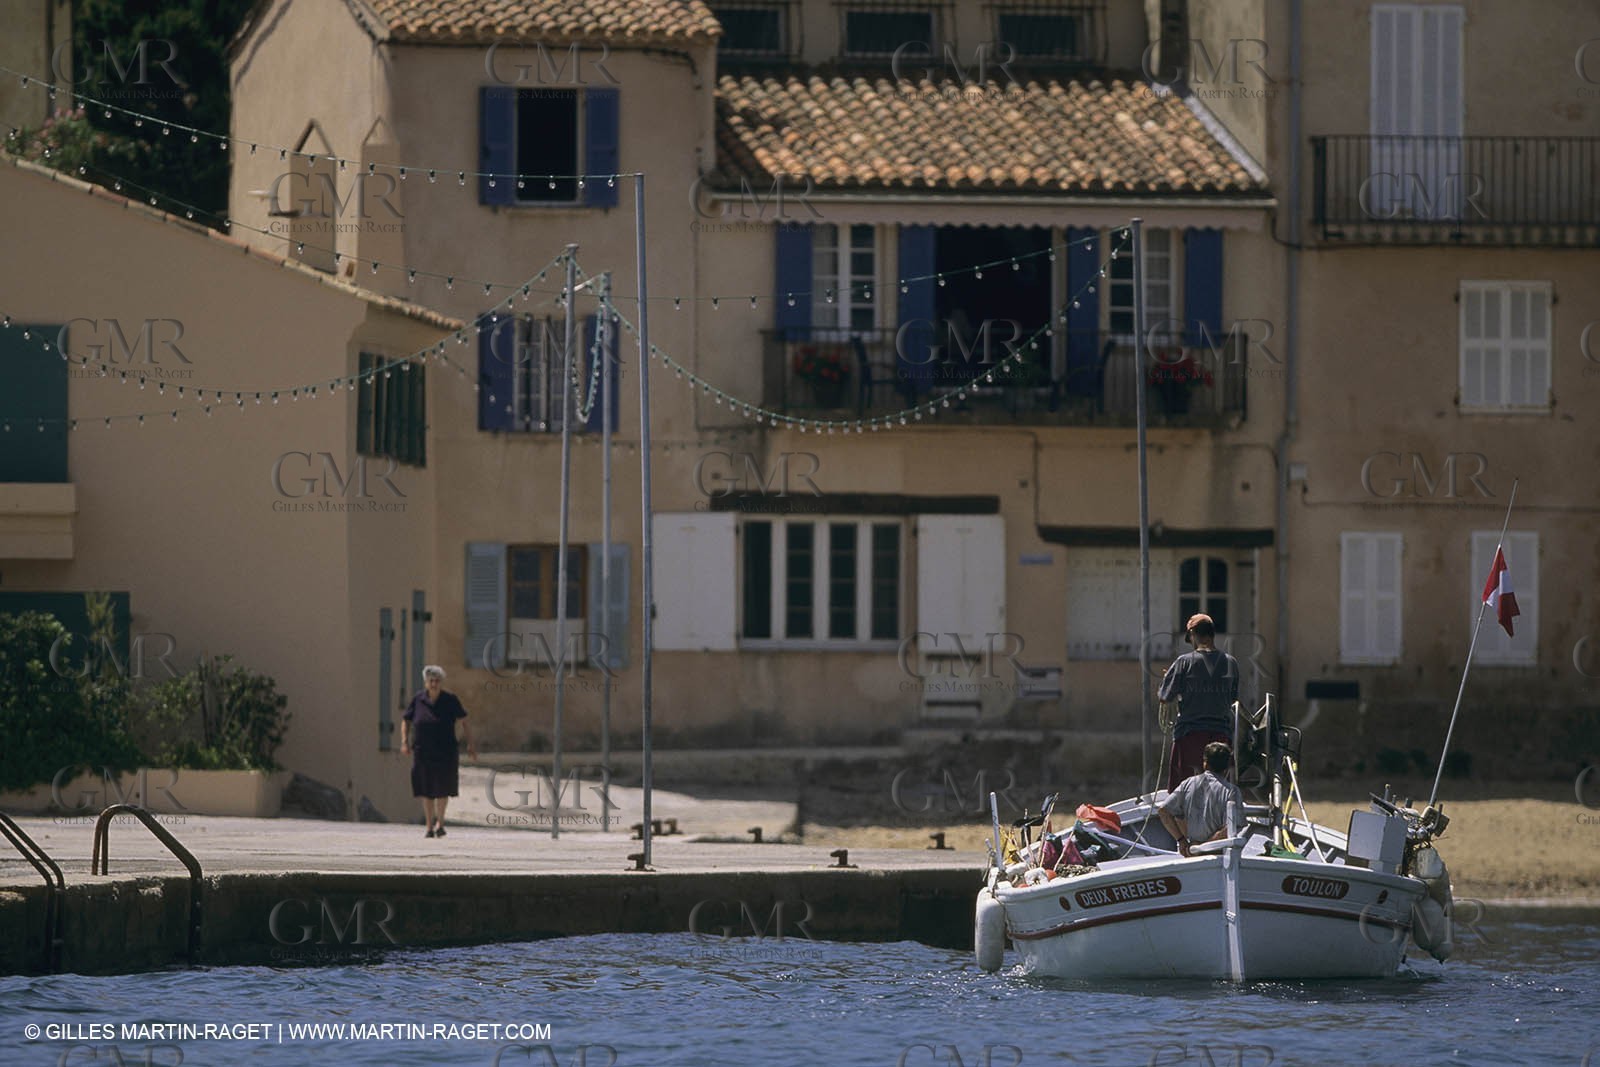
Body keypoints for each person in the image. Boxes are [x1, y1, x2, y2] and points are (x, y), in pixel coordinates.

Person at [1157, 613, 1239, 792]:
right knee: (1220, 794)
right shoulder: (1231, 663)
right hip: (1221, 740)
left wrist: (1168, 679)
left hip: (1190, 736)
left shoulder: (1184, 662)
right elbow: (1232, 699)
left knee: (1184, 795)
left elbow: (1165, 696)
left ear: (1193, 634)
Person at [400, 665, 476, 838]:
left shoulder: (450, 700)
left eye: (437, 681)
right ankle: (428, 825)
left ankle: (440, 822)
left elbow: (464, 721)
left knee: (442, 788)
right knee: (426, 789)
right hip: (423, 751)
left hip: (446, 751)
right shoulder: (418, 700)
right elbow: (406, 720)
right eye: (430, 681)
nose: (434, 684)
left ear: (441, 683)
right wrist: (404, 741)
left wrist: (470, 744)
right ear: (426, 683)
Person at [1157, 742, 1243, 856]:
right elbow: (1231, 828)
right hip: (1219, 855)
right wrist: (1204, 847)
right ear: (1227, 766)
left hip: (1193, 852)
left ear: (1205, 763)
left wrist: (1181, 841)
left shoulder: (1187, 784)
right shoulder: (1232, 791)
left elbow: (1163, 811)